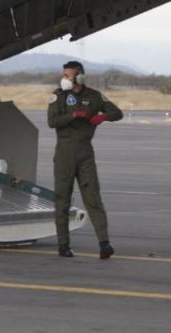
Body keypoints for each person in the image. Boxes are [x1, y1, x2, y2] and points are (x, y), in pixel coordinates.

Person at [47, 61, 123, 259]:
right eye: (63, 75)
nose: (64, 79)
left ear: (80, 77)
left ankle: (104, 243)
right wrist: (73, 115)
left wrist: (102, 117)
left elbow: (117, 113)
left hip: (85, 153)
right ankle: (63, 245)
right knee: (62, 199)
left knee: (93, 198)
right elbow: (52, 121)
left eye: (68, 75)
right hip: (64, 153)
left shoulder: (94, 96)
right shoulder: (58, 95)